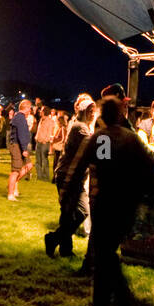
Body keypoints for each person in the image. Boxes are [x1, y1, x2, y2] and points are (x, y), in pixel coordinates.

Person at [74, 96, 154, 306]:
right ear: (120, 114)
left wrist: (70, 193)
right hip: (127, 206)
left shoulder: (103, 138)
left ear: (102, 115)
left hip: (108, 204)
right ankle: (121, 296)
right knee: (108, 254)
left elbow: (96, 164)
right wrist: (146, 198)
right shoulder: (131, 138)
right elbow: (150, 168)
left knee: (103, 260)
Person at [46, 96, 96, 259]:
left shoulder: (84, 127)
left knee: (74, 212)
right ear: (83, 112)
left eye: (93, 111)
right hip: (68, 174)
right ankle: (60, 244)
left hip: (76, 176)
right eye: (90, 111)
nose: (93, 113)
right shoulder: (79, 128)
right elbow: (94, 149)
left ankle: (56, 241)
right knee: (79, 211)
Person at [7, 100, 33, 200]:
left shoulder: (19, 117)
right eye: (29, 108)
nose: (30, 110)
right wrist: (24, 149)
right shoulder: (20, 118)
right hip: (17, 146)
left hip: (19, 145)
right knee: (15, 170)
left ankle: (12, 184)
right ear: (26, 108)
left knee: (29, 165)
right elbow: (21, 134)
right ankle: (10, 194)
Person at [34, 105, 57, 180]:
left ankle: (46, 176)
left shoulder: (50, 121)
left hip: (44, 143)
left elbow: (50, 132)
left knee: (44, 160)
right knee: (38, 160)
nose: (40, 111)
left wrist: (45, 140)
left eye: (41, 110)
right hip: (38, 142)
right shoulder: (41, 120)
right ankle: (39, 176)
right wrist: (36, 137)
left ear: (44, 112)